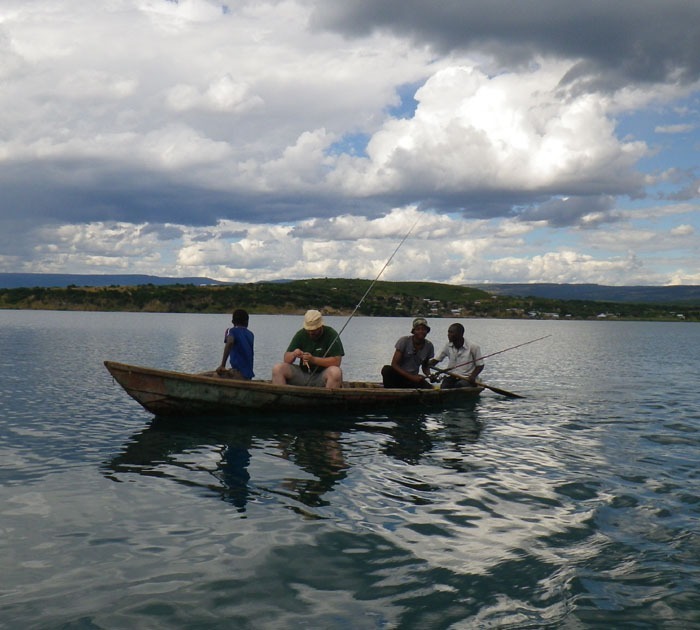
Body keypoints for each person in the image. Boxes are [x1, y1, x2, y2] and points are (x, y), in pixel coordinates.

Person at [271, 310, 344, 388]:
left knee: (336, 372)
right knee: (277, 368)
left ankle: (328, 398)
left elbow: (336, 362)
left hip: (322, 375)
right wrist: (294, 354)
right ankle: (282, 398)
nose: (311, 332)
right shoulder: (301, 334)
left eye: (314, 330)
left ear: (320, 326)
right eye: (309, 330)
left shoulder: (331, 334)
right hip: (302, 374)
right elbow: (286, 359)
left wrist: (313, 360)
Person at [381, 317, 434, 389]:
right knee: (386, 370)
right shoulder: (404, 341)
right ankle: (390, 393)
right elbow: (394, 364)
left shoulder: (429, 346)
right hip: (399, 376)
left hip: (413, 378)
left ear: (427, 331)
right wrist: (412, 377)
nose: (421, 331)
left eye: (424, 329)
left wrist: (430, 375)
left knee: (429, 388)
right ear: (414, 331)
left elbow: (425, 366)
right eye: (418, 329)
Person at [430, 322, 484, 388]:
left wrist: (472, 377)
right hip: (452, 376)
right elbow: (435, 360)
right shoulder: (447, 345)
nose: (448, 335)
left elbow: (480, 365)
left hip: (466, 378)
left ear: (460, 334)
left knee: (459, 385)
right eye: (448, 332)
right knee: (444, 386)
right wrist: (428, 366)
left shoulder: (473, 347)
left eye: (451, 332)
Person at [216, 308, 255, 380]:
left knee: (213, 375)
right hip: (248, 376)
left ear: (232, 322)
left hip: (237, 374)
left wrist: (222, 365)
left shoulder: (231, 331)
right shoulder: (251, 334)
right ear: (247, 322)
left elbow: (230, 342)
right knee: (212, 373)